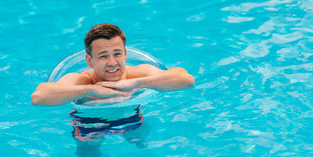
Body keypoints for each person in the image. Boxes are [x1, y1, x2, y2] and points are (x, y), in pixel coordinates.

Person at [31, 23, 195, 106]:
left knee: (143, 148)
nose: (112, 63)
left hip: (131, 114)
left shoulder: (136, 75)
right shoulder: (83, 81)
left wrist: (137, 83)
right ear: (89, 61)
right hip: (89, 121)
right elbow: (38, 97)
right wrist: (90, 90)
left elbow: (186, 80)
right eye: (103, 56)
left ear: (124, 54)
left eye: (117, 54)